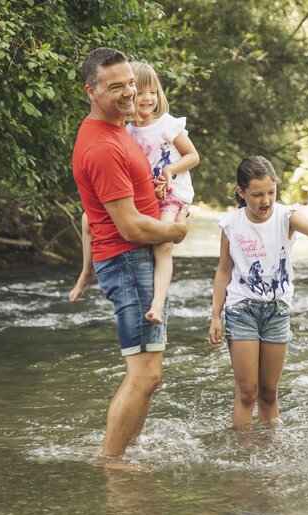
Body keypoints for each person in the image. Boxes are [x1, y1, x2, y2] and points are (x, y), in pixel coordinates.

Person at [72, 47, 188, 458]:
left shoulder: (118, 130)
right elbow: (130, 225)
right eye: (115, 86)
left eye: (130, 83)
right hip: (128, 258)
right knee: (144, 374)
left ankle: (129, 449)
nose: (127, 92)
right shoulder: (102, 146)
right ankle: (113, 463)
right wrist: (175, 230)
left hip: (132, 259)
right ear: (92, 91)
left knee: (147, 373)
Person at [208, 156, 308, 427]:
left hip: (278, 312)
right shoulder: (231, 225)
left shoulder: (285, 216)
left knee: (268, 392)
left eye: (271, 193)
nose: (266, 200)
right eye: (257, 194)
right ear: (241, 193)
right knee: (247, 392)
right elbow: (223, 271)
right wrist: (215, 315)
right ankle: (241, 459)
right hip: (242, 311)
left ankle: (269, 457)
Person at [70, 62, 199, 327]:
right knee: (86, 220)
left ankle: (158, 304)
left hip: (171, 192)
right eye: (141, 92)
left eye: (153, 92)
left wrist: (170, 171)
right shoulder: (124, 130)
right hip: (150, 193)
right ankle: (86, 271)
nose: (147, 98)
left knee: (162, 244)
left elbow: (193, 156)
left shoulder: (167, 125)